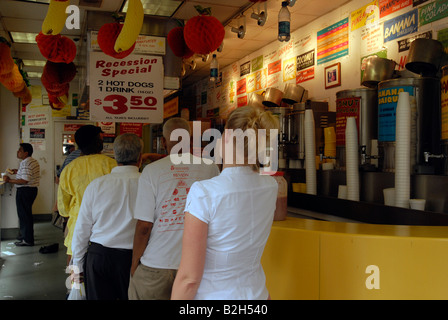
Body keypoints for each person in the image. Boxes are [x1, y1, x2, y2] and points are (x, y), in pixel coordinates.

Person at [171, 105, 279, 300]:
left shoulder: (204, 193)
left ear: (226, 137)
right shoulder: (270, 186)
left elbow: (189, 279)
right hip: (258, 295)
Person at [129, 117, 220, 300]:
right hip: (197, 265)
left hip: (157, 265)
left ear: (163, 142)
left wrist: (134, 263)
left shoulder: (152, 171)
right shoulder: (210, 169)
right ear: (191, 140)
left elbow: (144, 227)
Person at [71, 133, 143, 300]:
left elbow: (81, 230)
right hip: (136, 260)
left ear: (115, 156)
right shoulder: (148, 184)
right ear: (140, 157)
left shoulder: (97, 185)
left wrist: (77, 267)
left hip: (99, 258)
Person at [58, 125, 117, 263]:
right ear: (98, 143)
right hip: (107, 225)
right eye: (101, 139)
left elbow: (63, 209)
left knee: (74, 260)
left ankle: (74, 284)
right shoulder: (112, 165)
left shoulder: (69, 169)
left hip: (77, 224)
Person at [3, 143, 40, 246]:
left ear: (26, 153)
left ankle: (27, 240)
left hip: (25, 191)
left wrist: (9, 180)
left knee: (24, 216)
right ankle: (25, 236)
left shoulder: (26, 162)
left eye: (20, 150)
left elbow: (24, 180)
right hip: (30, 191)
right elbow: (27, 174)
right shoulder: (32, 161)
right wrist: (17, 171)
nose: (17, 152)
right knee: (26, 215)